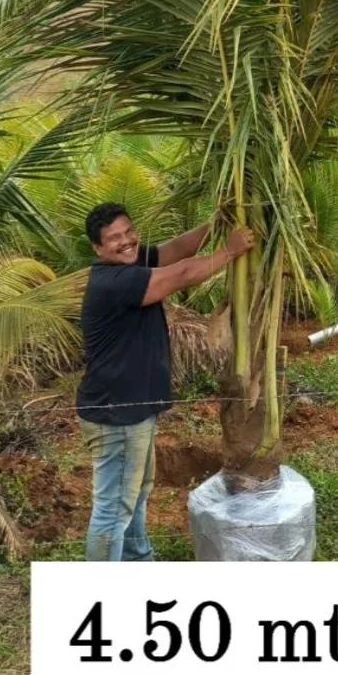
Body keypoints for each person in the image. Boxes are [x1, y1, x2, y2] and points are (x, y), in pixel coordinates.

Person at [76, 201, 254, 561]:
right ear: (98, 248)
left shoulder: (132, 261)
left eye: (129, 231)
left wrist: (214, 223)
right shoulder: (115, 282)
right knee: (114, 509)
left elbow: (177, 250)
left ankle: (138, 560)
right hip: (117, 415)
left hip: (131, 410)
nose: (127, 241)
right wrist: (229, 251)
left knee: (137, 492)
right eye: (114, 238)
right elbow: (183, 273)